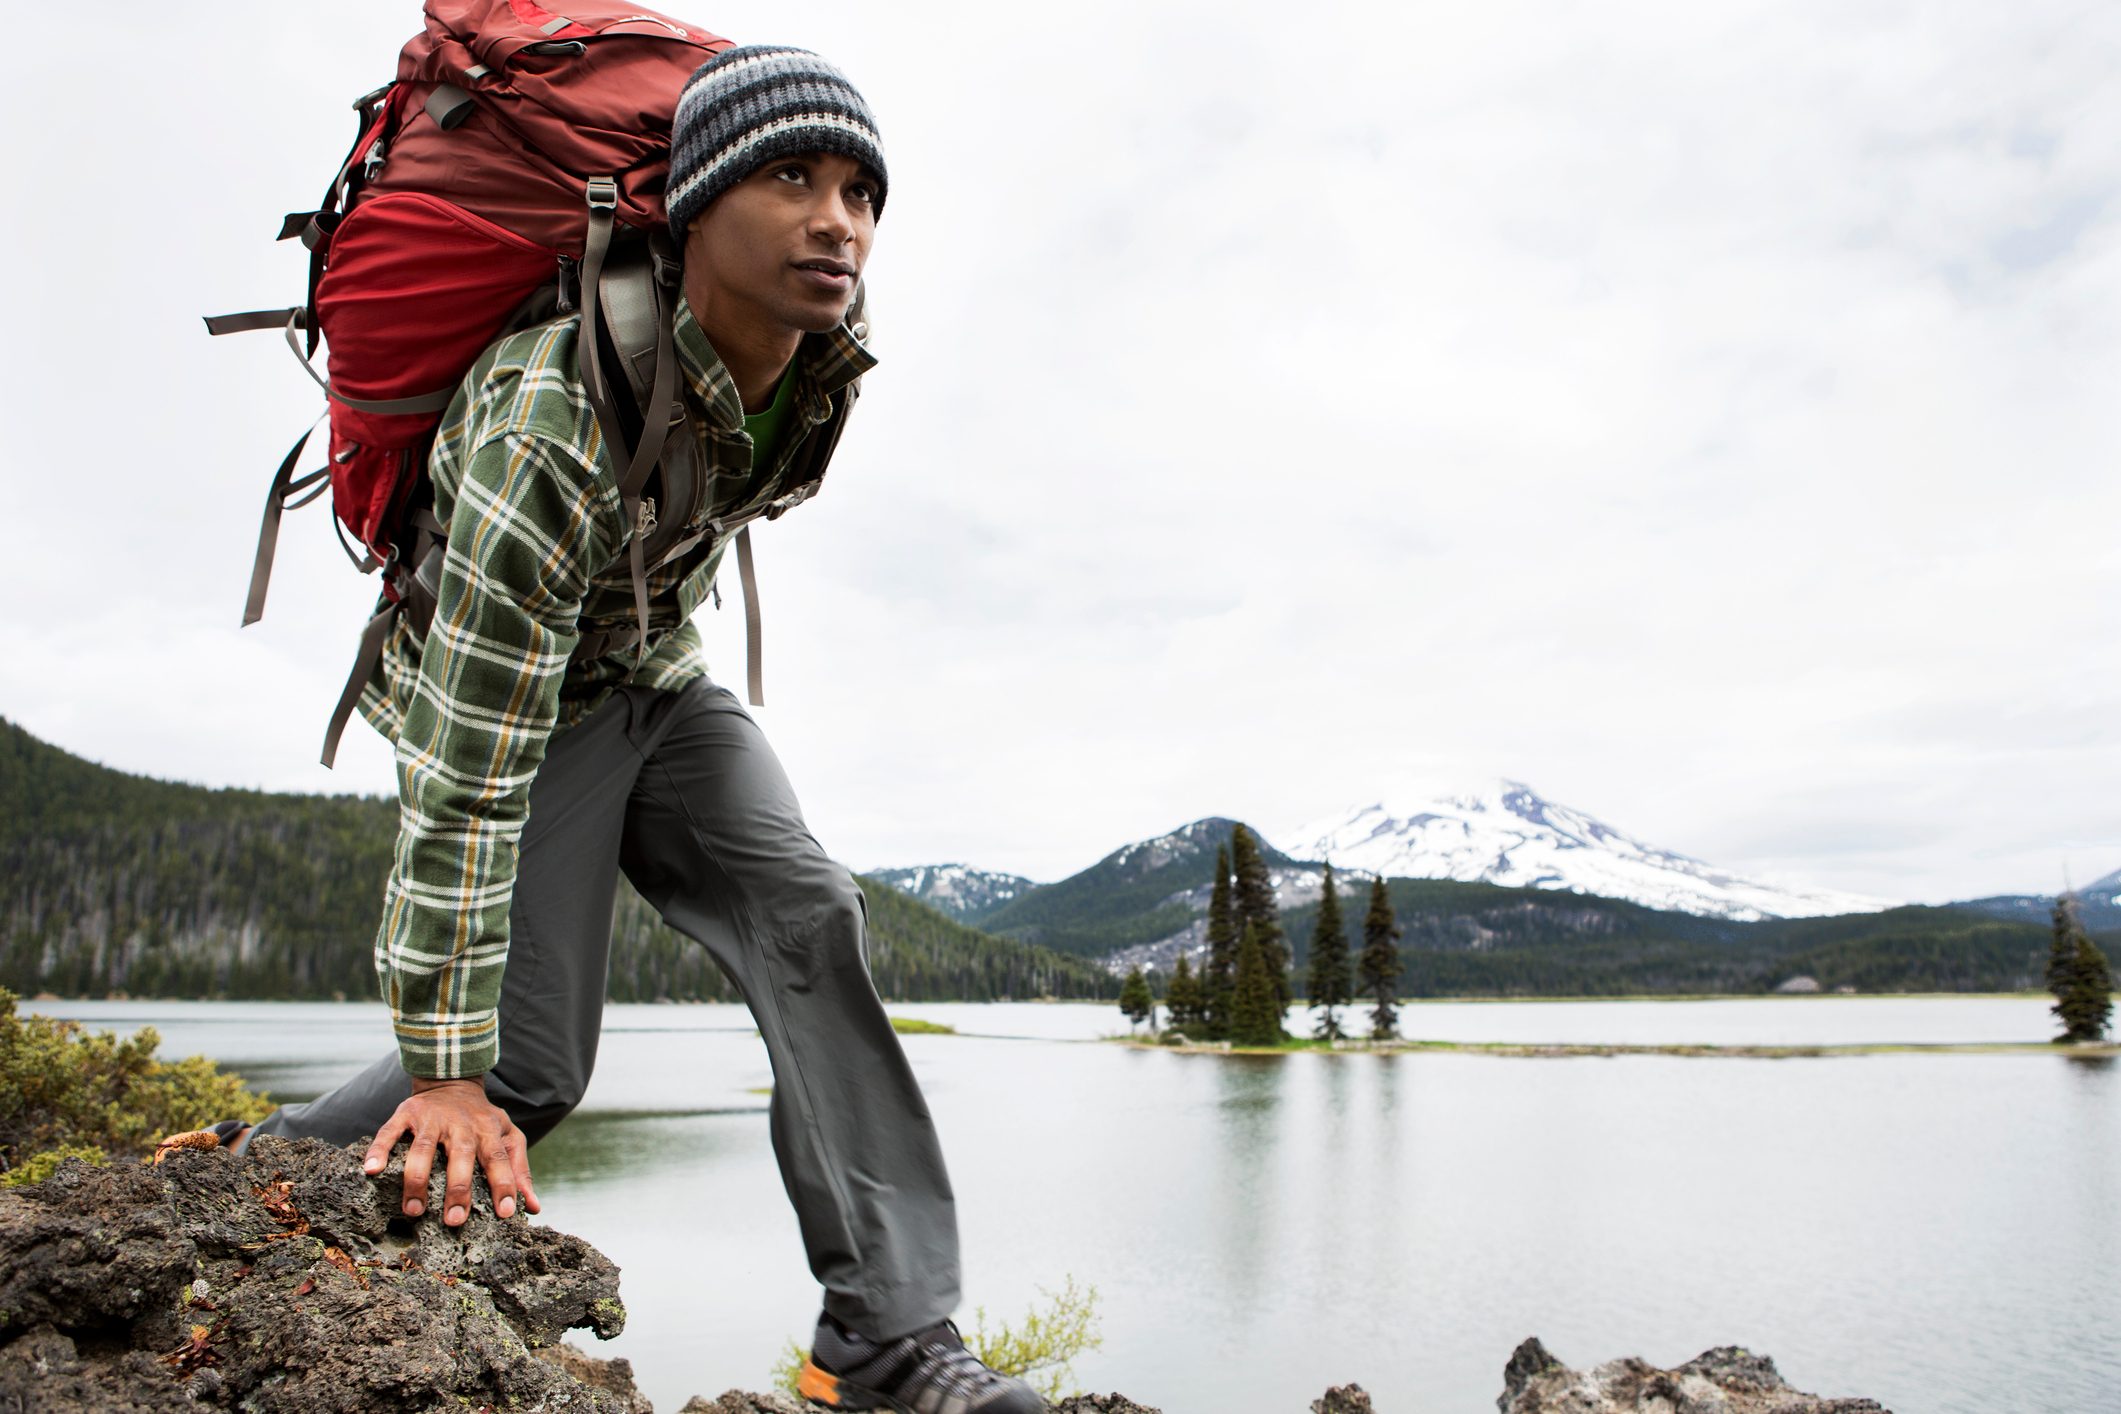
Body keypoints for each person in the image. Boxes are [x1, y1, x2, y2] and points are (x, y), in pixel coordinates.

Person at [166, 46, 1044, 1414]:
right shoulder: (547, 422)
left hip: (650, 664)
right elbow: (465, 774)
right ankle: (245, 1180)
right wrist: (450, 1075)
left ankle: (878, 1335)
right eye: (792, 178)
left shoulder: (812, 370)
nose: (838, 221)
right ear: (694, 204)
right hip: (514, 696)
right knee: (523, 1064)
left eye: (862, 191)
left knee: (805, 909)